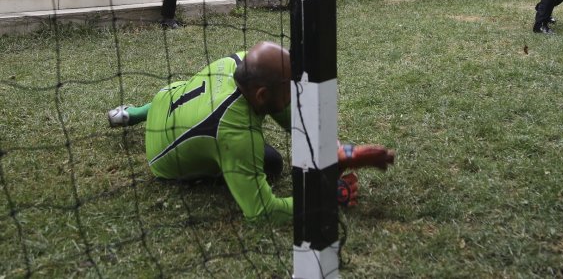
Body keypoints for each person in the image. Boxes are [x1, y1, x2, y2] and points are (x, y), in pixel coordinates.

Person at [105, 42, 394, 222]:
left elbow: (289, 117)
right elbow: (262, 211)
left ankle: (132, 113)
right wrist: (326, 197)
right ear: (261, 95)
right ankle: (139, 117)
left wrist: (338, 150)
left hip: (163, 101)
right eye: (288, 88)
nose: (294, 93)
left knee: (175, 91)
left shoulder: (239, 62)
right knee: (271, 162)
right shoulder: (238, 135)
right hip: (161, 159)